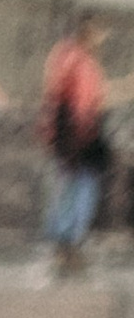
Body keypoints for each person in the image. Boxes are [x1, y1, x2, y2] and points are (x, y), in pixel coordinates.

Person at [41, 14, 111, 277]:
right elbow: (84, 103)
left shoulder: (62, 55)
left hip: (63, 130)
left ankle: (60, 243)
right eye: (99, 34)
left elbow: (54, 95)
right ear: (89, 33)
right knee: (84, 186)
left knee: (66, 185)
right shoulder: (82, 62)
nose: (102, 40)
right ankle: (71, 242)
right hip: (80, 131)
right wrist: (84, 134)